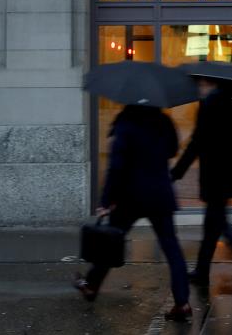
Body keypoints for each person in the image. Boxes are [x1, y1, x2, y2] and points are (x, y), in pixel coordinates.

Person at [74, 105, 191, 322]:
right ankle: (182, 303)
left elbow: (116, 167)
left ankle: (91, 285)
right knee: (172, 248)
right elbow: (173, 150)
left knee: (111, 242)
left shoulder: (125, 122)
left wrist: (106, 200)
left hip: (131, 196)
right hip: (159, 193)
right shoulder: (163, 121)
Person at [171, 78, 232, 296]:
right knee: (212, 226)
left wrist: (176, 172)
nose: (201, 88)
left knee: (221, 226)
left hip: (213, 175)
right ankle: (202, 271)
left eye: (204, 84)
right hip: (230, 175)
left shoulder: (208, 107)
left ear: (213, 85)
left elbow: (196, 143)